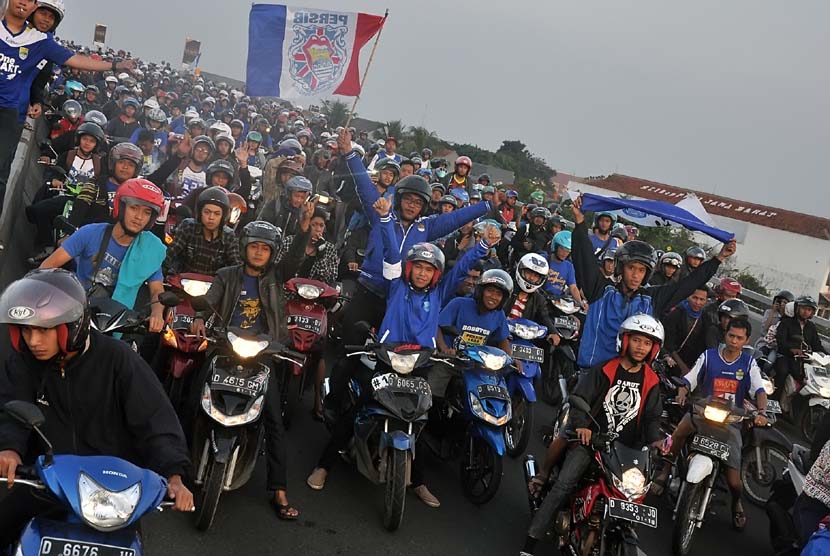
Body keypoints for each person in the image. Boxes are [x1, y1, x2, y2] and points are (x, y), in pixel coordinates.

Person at [307, 197, 501, 506]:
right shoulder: (396, 285)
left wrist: (482, 247)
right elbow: (392, 249)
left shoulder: (440, 293)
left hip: (420, 364)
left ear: (436, 274)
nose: (423, 273)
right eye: (418, 267)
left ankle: (419, 482)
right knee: (359, 410)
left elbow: (462, 266)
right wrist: (385, 219)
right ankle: (323, 466)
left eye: (429, 269)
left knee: (420, 420)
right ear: (409, 269)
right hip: (386, 359)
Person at [0, 269, 193, 549]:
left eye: (43, 330)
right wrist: (10, 448)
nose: (33, 341)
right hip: (47, 481)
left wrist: (174, 475)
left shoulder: (119, 361)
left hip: (113, 493)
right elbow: (12, 408)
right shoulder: (23, 362)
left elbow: (156, 420)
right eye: (27, 330)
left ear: (73, 325)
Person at [191, 203, 316, 521]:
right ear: (244, 248)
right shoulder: (226, 275)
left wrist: (302, 229)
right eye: (254, 246)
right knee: (190, 402)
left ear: (271, 253)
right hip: (223, 349)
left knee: (274, 421)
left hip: (263, 356)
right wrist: (199, 317)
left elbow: (295, 258)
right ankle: (177, 471)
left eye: (265, 248)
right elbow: (208, 303)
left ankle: (278, 489)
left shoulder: (276, 278)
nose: (259, 252)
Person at [521, 315, 666, 555]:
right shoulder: (605, 369)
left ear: (654, 349)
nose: (641, 347)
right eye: (637, 340)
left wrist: (657, 441)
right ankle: (530, 543)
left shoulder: (651, 381)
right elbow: (581, 400)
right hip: (593, 443)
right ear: (625, 340)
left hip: (626, 452)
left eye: (647, 343)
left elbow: (651, 418)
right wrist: (583, 427)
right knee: (563, 486)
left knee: (633, 496)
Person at [570, 194, 735, 370]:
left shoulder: (652, 298)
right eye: (631, 268)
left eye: (641, 270)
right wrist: (580, 221)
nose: (636, 275)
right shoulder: (600, 290)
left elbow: (688, 285)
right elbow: (584, 257)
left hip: (630, 379)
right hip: (592, 373)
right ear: (621, 268)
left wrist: (718, 258)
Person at [0, 0, 135, 208]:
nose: (23, 4)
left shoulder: (41, 41)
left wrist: (115, 65)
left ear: (33, 5)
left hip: (10, 113)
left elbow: (76, 60)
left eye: (29, 1)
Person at [666, 318, 768, 530]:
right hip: (703, 413)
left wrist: (762, 411)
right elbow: (690, 379)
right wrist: (682, 392)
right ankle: (664, 470)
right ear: (725, 335)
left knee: (734, 482)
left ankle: (736, 502)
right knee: (679, 432)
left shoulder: (749, 363)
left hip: (731, 422)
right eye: (731, 335)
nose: (734, 341)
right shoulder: (708, 356)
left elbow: (759, 390)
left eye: (739, 338)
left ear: (746, 340)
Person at [39, 179, 167, 332]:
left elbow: (157, 291)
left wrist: (157, 314)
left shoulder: (150, 250)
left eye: (147, 212)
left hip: (118, 323)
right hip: (77, 309)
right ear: (121, 207)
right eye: (134, 208)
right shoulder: (90, 232)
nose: (139, 217)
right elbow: (47, 267)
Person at [163, 186, 241, 276]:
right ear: (200, 213)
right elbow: (170, 253)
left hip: (215, 286)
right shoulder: (188, 227)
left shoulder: (229, 236)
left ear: (223, 217)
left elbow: (236, 265)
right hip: (182, 282)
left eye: (217, 214)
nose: (211, 217)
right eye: (207, 212)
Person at [774, 295, 827, 393]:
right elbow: (780, 342)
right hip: (786, 356)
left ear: (812, 312)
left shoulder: (811, 327)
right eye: (803, 308)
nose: (806, 312)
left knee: (816, 377)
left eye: (809, 310)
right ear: (797, 308)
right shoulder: (786, 322)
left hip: (804, 358)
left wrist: (827, 356)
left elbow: (817, 345)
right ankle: (775, 399)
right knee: (783, 371)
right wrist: (792, 349)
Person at [505, 253, 558, 344]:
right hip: (501, 335)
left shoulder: (539, 299)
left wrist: (553, 332)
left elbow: (544, 317)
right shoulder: (506, 289)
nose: (532, 278)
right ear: (521, 270)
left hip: (523, 339)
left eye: (536, 276)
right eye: (529, 273)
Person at [661, 286, 709, 376]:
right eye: (695, 298)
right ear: (688, 296)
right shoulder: (675, 314)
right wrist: (683, 368)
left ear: (706, 301)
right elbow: (668, 343)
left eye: (702, 299)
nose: (697, 302)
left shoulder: (705, 318)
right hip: (672, 361)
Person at [543, 231, 583, 306]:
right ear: (555, 246)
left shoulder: (569, 266)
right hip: (541, 297)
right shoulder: (543, 259)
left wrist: (580, 303)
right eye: (562, 249)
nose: (564, 253)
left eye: (568, 251)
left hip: (557, 301)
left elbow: (573, 287)